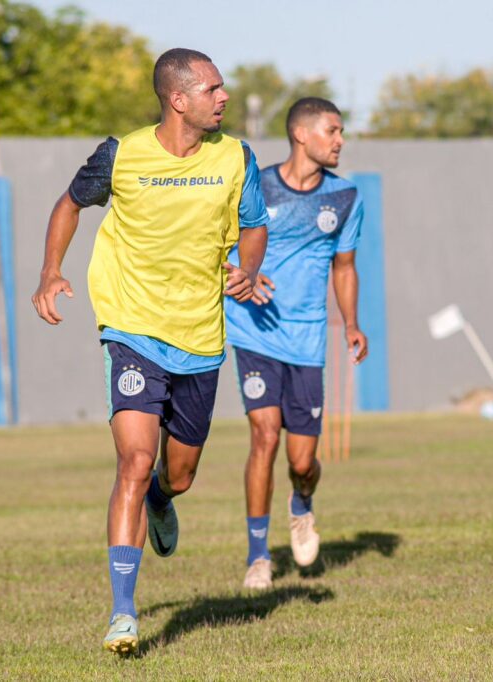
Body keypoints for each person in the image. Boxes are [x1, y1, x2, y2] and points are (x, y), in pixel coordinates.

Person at [30, 48, 269, 655]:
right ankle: (122, 614)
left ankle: (164, 499)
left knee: (177, 475)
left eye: (223, 87)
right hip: (131, 329)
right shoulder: (121, 154)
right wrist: (50, 271)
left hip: (201, 337)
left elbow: (254, 222)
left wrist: (248, 266)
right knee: (133, 461)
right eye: (213, 88)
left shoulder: (237, 157)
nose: (224, 97)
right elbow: (68, 204)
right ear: (177, 98)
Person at [224, 97, 367, 590]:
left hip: (307, 340)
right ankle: (259, 556)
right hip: (253, 329)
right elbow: (213, 247)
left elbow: (344, 267)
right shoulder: (255, 186)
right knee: (264, 435)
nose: (340, 140)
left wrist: (351, 323)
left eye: (341, 131)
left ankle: (302, 504)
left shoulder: (346, 197)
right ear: (301, 134)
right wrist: (239, 274)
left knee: (302, 462)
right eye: (333, 130)